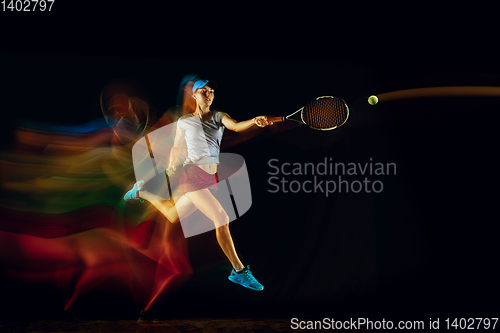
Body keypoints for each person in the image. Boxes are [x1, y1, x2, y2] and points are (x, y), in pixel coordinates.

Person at [124, 79, 272, 291]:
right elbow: (177, 147)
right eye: (204, 91)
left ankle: (141, 191)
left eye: (211, 91)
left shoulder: (219, 116)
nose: (209, 94)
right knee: (222, 217)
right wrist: (173, 165)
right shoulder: (185, 122)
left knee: (172, 215)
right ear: (194, 95)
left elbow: (237, 127)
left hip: (209, 179)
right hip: (190, 175)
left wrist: (254, 121)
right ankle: (239, 271)